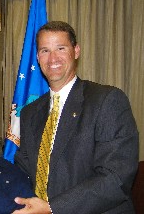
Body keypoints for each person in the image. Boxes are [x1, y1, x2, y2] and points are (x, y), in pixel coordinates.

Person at [12, 21, 139, 214]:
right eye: (45, 50)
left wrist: (52, 208)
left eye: (60, 48)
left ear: (76, 51)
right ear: (38, 57)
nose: (53, 58)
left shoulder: (107, 100)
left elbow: (116, 178)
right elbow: (23, 170)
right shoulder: (30, 112)